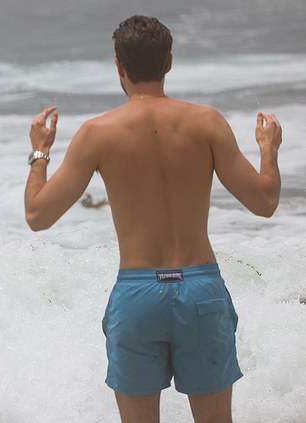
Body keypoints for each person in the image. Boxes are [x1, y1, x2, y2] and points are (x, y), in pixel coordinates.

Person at [24, 15, 281, 423]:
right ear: (169, 63)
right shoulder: (207, 123)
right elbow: (265, 202)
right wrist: (269, 149)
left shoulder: (97, 133)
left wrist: (40, 152)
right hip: (200, 291)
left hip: (138, 295)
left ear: (119, 67)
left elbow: (37, 215)